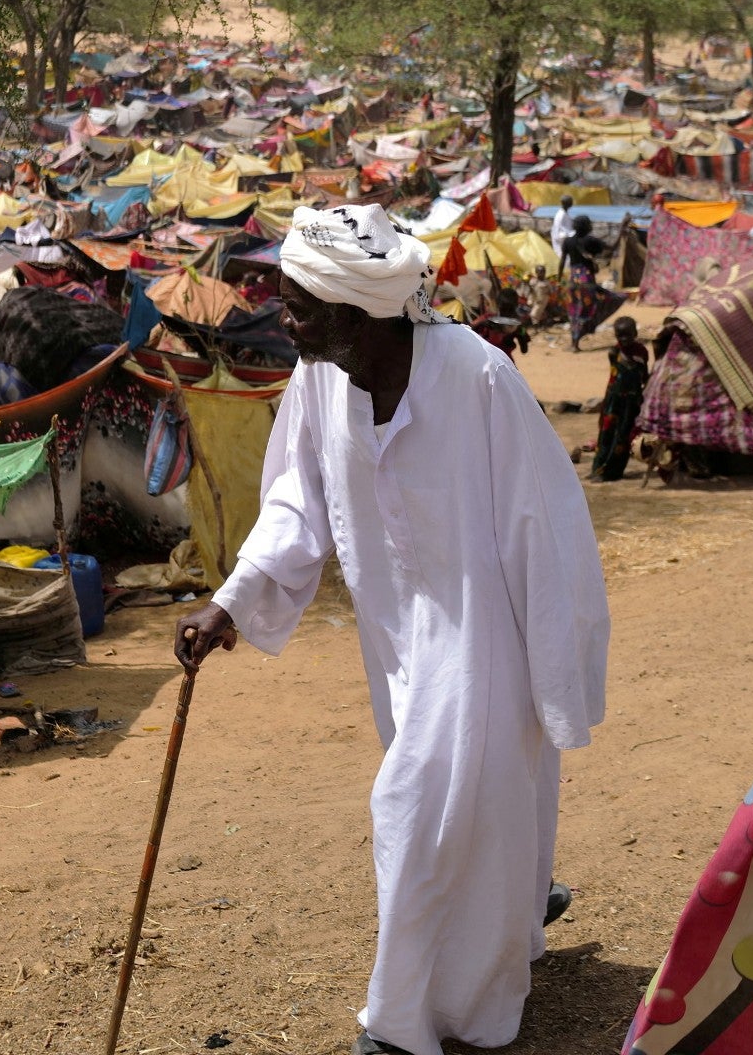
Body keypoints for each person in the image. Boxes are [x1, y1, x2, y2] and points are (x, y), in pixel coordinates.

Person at [175, 203, 609, 1055]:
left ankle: (403, 1024)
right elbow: (295, 502)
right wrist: (231, 601)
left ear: (353, 311)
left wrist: (555, 668)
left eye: (298, 304)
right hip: (395, 637)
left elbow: (544, 527)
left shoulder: (476, 377)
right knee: (481, 808)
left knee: (412, 804)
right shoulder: (317, 381)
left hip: (488, 634)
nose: (283, 319)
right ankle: (517, 913)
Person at [591, 317, 650, 482]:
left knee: (622, 437)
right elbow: (614, 377)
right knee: (605, 434)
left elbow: (643, 375)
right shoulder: (614, 352)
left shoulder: (640, 352)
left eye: (627, 335)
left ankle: (612, 472)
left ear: (635, 334)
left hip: (630, 402)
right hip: (613, 399)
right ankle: (598, 468)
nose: (623, 339)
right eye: (619, 335)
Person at [558, 214, 615, 352]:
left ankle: (574, 343)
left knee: (574, 312)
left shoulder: (568, 241)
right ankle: (579, 339)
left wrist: (559, 279)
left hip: (572, 281)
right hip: (586, 281)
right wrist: (623, 229)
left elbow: (562, 261)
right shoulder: (590, 241)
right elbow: (611, 248)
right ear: (586, 226)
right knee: (594, 306)